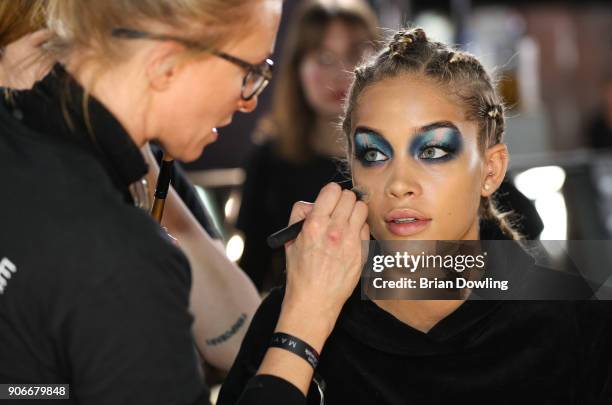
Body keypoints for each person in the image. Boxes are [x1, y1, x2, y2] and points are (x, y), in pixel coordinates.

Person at [218, 28, 612, 404]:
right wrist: (301, 328)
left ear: (490, 171)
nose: (399, 183)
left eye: (434, 151)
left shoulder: (575, 319)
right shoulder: (292, 318)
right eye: (374, 154)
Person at [237, 0, 379, 291]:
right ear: (297, 69)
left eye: (354, 54)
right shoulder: (269, 160)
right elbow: (252, 274)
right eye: (324, 57)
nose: (341, 72)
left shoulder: (408, 159)